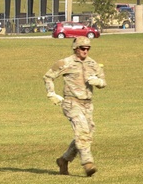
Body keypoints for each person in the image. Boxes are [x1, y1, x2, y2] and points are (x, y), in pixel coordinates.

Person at [44, 36, 106, 176]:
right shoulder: (66, 62)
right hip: (71, 102)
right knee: (82, 131)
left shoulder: (92, 64)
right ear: (76, 48)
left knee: (86, 135)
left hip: (87, 104)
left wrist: (98, 82)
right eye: (82, 48)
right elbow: (48, 76)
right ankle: (88, 163)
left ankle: (64, 160)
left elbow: (103, 81)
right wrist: (51, 93)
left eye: (88, 49)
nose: (85, 51)